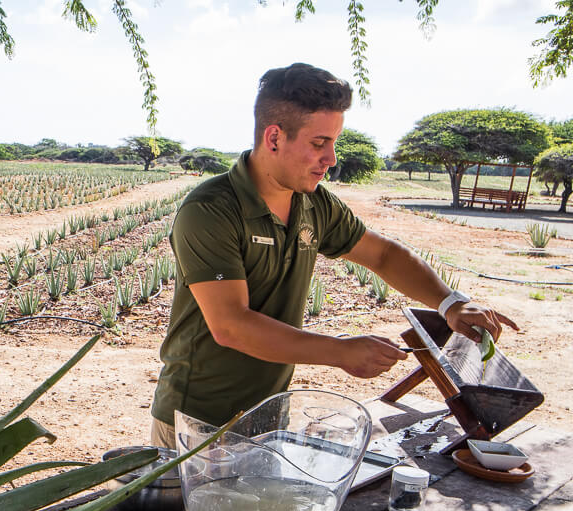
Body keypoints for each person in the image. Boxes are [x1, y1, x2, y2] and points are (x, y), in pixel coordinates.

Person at [150, 62, 517, 449]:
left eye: (334, 142)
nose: (332, 158)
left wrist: (450, 303)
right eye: (319, 143)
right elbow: (231, 325)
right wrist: (341, 352)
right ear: (274, 137)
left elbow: (384, 256)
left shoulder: (314, 204)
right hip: (197, 422)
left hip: (268, 413)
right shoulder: (211, 209)